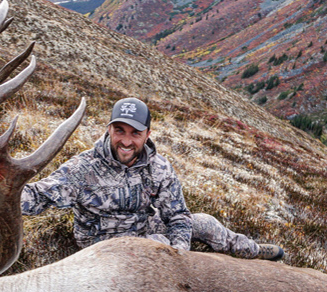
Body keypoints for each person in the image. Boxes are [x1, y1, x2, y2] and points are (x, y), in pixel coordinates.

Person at [21, 97, 284, 260]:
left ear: (147, 134)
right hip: (99, 244)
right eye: (119, 130)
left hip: (142, 227)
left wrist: (180, 250)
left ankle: (250, 251)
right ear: (109, 128)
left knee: (204, 223)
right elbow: (37, 196)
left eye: (135, 133)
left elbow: (178, 216)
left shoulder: (158, 168)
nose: (125, 140)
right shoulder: (82, 168)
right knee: (157, 246)